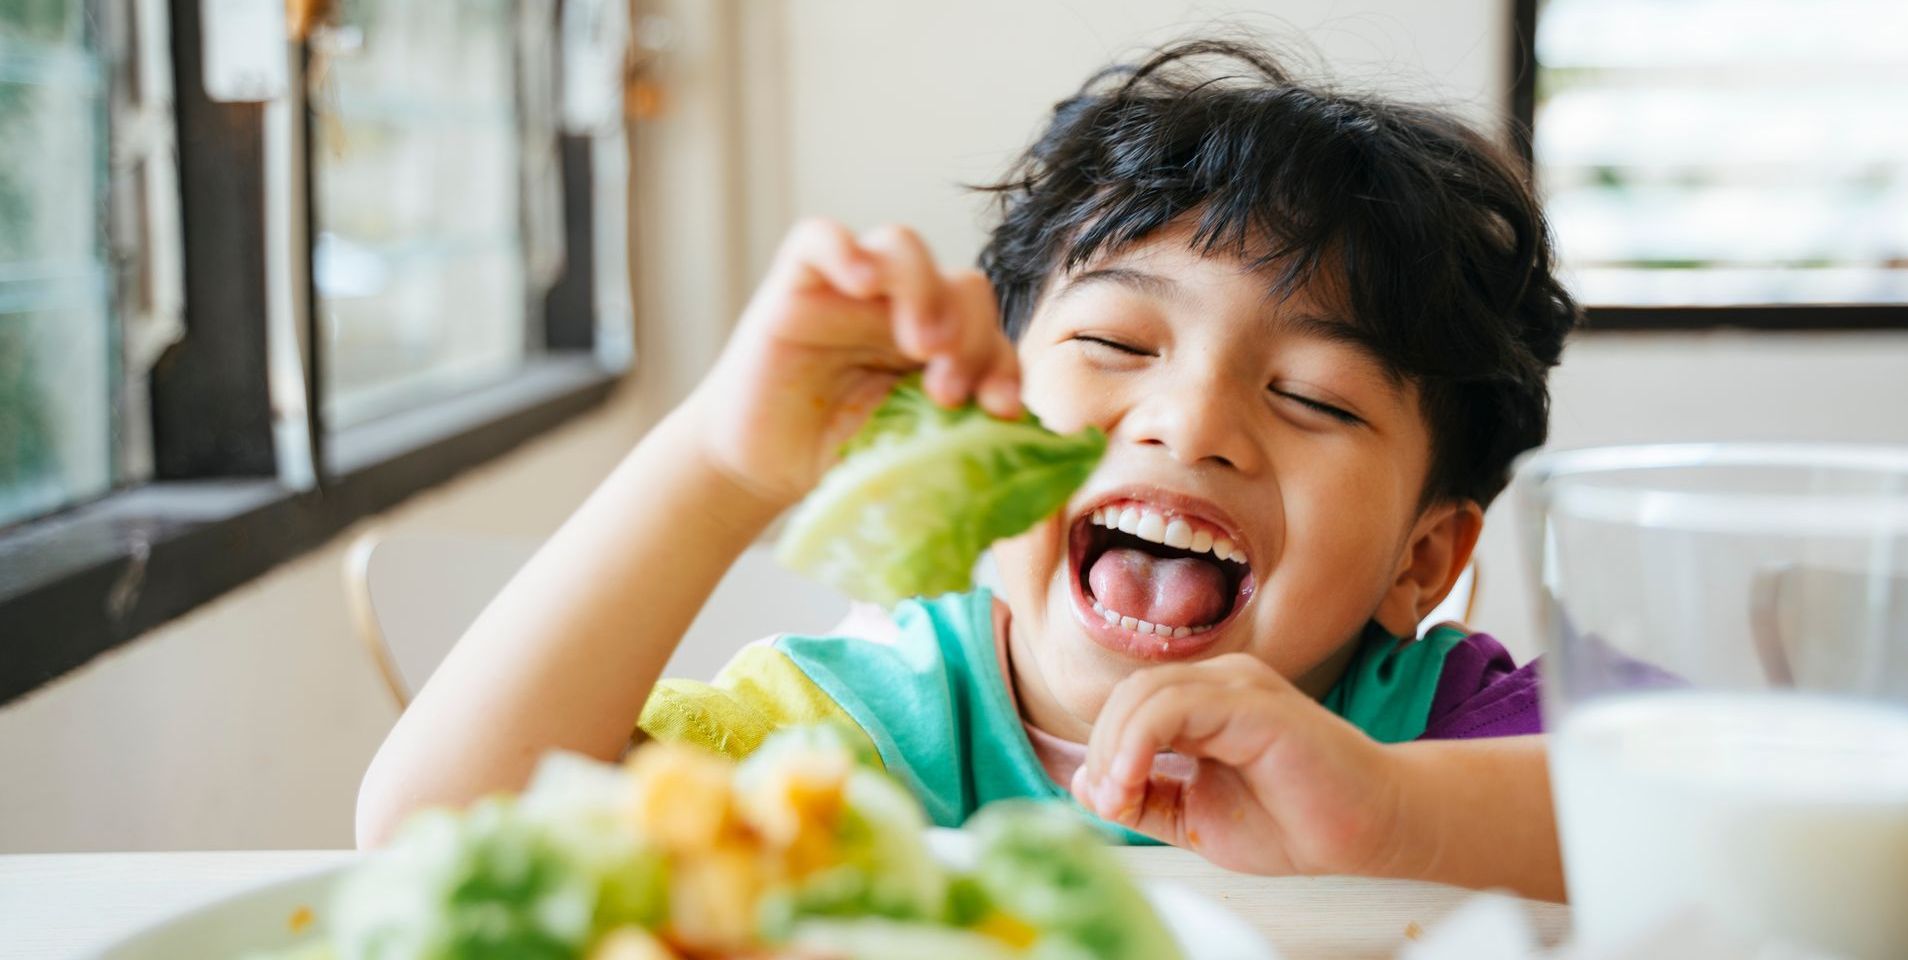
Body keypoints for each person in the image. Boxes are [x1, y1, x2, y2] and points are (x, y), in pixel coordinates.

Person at [357, 39, 1580, 900]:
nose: (1187, 422)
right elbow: (436, 838)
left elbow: (1708, 824)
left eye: (1312, 397)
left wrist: (1391, 813)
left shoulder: (1442, 738)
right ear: (989, 403)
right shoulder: (856, 739)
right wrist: (719, 467)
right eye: (1114, 342)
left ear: (1423, 559)